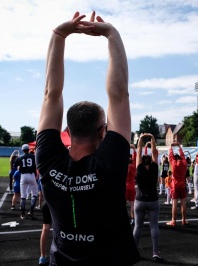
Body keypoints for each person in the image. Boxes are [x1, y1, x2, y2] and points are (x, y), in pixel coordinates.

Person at [35, 11, 140, 265]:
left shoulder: (48, 161)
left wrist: (59, 35)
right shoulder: (108, 165)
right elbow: (119, 95)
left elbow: (51, 93)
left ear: (67, 132)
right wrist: (111, 33)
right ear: (103, 131)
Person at [133, 133, 162, 261]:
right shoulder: (155, 168)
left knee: (138, 227)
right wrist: (152, 137)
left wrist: (141, 138)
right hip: (153, 200)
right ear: (151, 160)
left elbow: (138, 151)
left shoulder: (139, 168)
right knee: (154, 226)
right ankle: (155, 252)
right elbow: (155, 152)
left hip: (139, 199)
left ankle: (133, 251)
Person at [166, 141, 188, 226]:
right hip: (182, 184)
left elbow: (170, 154)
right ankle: (184, 220)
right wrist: (179, 147)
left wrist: (171, 146)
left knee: (174, 203)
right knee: (183, 203)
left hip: (175, 185)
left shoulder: (173, 163)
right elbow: (182, 156)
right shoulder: (184, 163)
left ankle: (173, 220)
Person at [14, 144, 38, 219]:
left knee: (23, 196)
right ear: (28, 149)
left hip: (23, 176)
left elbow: (15, 166)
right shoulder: (33, 156)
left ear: (22, 150)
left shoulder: (20, 157)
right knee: (34, 194)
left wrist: (20, 168)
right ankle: (31, 211)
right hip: (32, 175)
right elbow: (36, 165)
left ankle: (23, 214)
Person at [126, 144, 137, 225]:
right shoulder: (133, 166)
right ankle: (133, 218)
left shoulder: (124, 166)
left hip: (125, 186)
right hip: (132, 186)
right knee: (132, 204)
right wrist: (133, 148)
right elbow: (135, 157)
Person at [39, 201, 52, 265]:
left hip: (47, 202)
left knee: (45, 229)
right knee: (59, 228)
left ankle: (42, 257)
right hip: (59, 203)